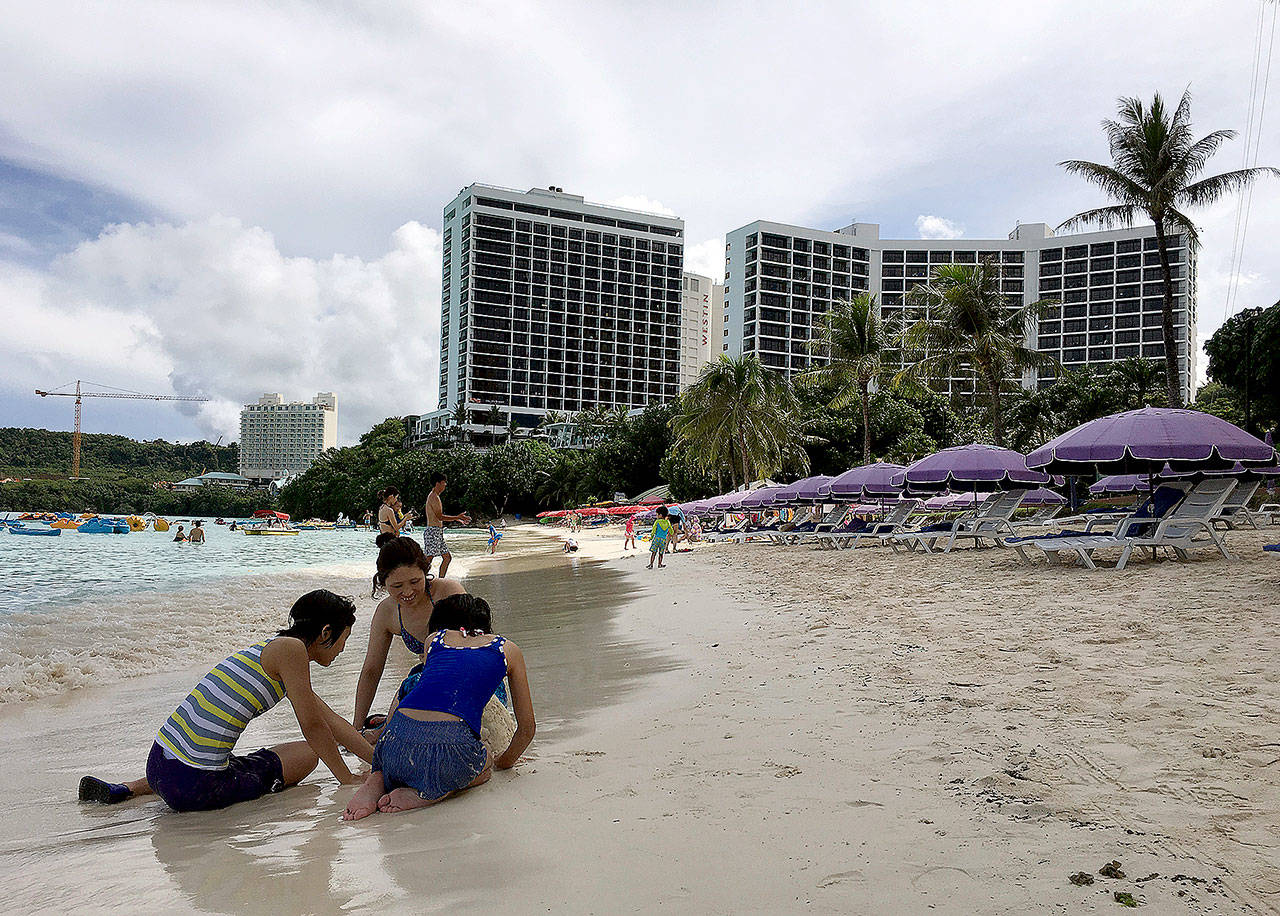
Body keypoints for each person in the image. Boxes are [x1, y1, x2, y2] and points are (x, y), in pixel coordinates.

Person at [78, 590, 373, 811]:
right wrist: (345, 778)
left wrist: (378, 760)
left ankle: (127, 789)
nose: (343, 649)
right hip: (194, 786)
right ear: (325, 633)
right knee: (310, 754)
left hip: (158, 764)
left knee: (239, 757)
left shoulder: (274, 650)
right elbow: (313, 725)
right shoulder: (293, 652)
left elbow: (330, 719)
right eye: (344, 638)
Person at [342, 593, 535, 820]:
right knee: (484, 763)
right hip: (447, 749)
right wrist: (502, 762)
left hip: (391, 744)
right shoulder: (508, 650)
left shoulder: (434, 640)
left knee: (407, 753)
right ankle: (428, 793)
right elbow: (527, 728)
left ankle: (379, 778)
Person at [354, 537, 468, 733]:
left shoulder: (448, 592)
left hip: (466, 676)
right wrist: (355, 727)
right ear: (383, 582)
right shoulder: (387, 612)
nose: (407, 592)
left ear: (425, 572)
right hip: (422, 681)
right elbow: (372, 670)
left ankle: (384, 726)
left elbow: (474, 647)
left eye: (415, 581)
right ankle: (385, 722)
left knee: (412, 687)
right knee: (412, 685)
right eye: (397, 586)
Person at [423, 472, 470, 578]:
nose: (445, 485)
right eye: (444, 482)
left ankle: (441, 579)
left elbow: (438, 518)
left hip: (437, 531)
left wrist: (458, 519)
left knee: (447, 557)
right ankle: (420, 579)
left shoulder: (435, 496)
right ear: (438, 483)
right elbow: (439, 516)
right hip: (433, 531)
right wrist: (457, 517)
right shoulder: (433, 497)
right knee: (429, 558)